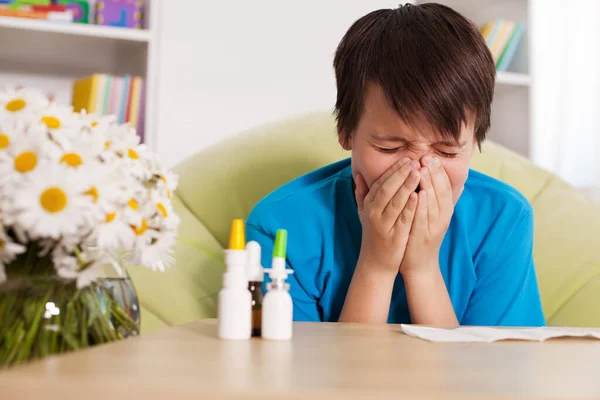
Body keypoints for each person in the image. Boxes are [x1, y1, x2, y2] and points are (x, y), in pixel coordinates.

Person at [246, 3, 545, 327]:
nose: (418, 172)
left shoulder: (503, 218)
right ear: (346, 132)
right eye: (390, 146)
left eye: (445, 151)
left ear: (473, 142)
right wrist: (377, 263)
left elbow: (490, 370)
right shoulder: (280, 226)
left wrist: (422, 267)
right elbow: (307, 374)